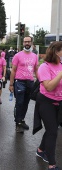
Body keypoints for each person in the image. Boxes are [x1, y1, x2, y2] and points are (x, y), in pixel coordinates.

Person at [33, 41, 62, 170]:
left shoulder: (60, 64)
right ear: (57, 51)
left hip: (59, 102)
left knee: (52, 129)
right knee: (53, 132)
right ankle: (51, 164)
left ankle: (40, 150)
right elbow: (49, 87)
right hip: (46, 102)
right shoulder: (44, 67)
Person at [9, 36, 38, 133]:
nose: (27, 43)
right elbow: (13, 70)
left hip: (30, 82)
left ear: (31, 43)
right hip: (19, 82)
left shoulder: (34, 56)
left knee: (26, 103)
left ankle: (21, 120)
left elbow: (36, 69)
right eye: (25, 42)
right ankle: (17, 123)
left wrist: (40, 81)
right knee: (20, 103)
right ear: (23, 43)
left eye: (28, 42)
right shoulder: (18, 55)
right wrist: (11, 84)